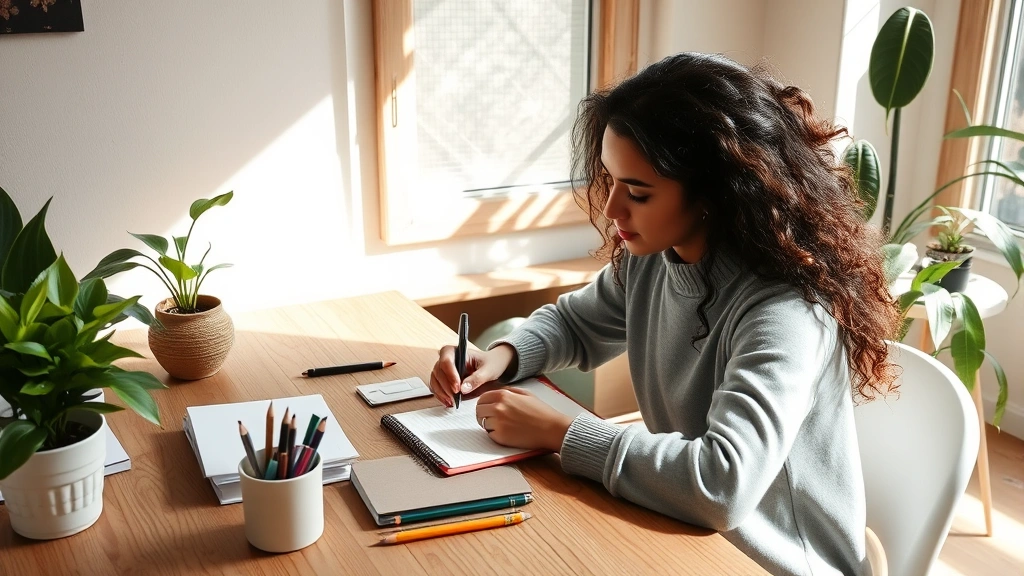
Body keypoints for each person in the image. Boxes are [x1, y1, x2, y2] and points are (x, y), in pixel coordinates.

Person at [428, 52, 901, 576]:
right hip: (686, 533)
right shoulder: (653, 260)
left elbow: (723, 483)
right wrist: (501, 356)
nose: (612, 210)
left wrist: (564, 434)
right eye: (609, 181)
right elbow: (575, 324)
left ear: (715, 192)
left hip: (773, 561)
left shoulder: (784, 309)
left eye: (638, 192)